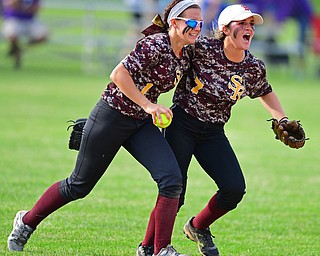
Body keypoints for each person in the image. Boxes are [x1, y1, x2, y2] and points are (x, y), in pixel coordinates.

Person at [7, 1, 203, 255]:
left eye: (200, 23)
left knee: (171, 180)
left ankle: (159, 250)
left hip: (139, 122)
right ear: (174, 23)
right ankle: (26, 221)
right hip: (112, 115)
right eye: (191, 22)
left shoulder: (187, 52)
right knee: (78, 185)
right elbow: (118, 74)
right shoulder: (155, 45)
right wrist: (148, 105)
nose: (197, 27)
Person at [164, 4, 294, 256]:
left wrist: (282, 119)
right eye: (241, 24)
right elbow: (170, 53)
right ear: (224, 29)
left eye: (251, 25)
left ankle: (198, 227)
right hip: (182, 124)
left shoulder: (253, 67)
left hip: (212, 132)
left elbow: (264, 91)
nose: (248, 29)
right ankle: (155, 247)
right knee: (174, 190)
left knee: (234, 188)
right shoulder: (200, 49)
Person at [1, 0, 48, 69]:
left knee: (42, 35)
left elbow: (36, 8)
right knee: (12, 34)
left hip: (29, 20)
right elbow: (9, 5)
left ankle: (19, 50)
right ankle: (16, 52)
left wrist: (21, 8)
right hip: (13, 19)